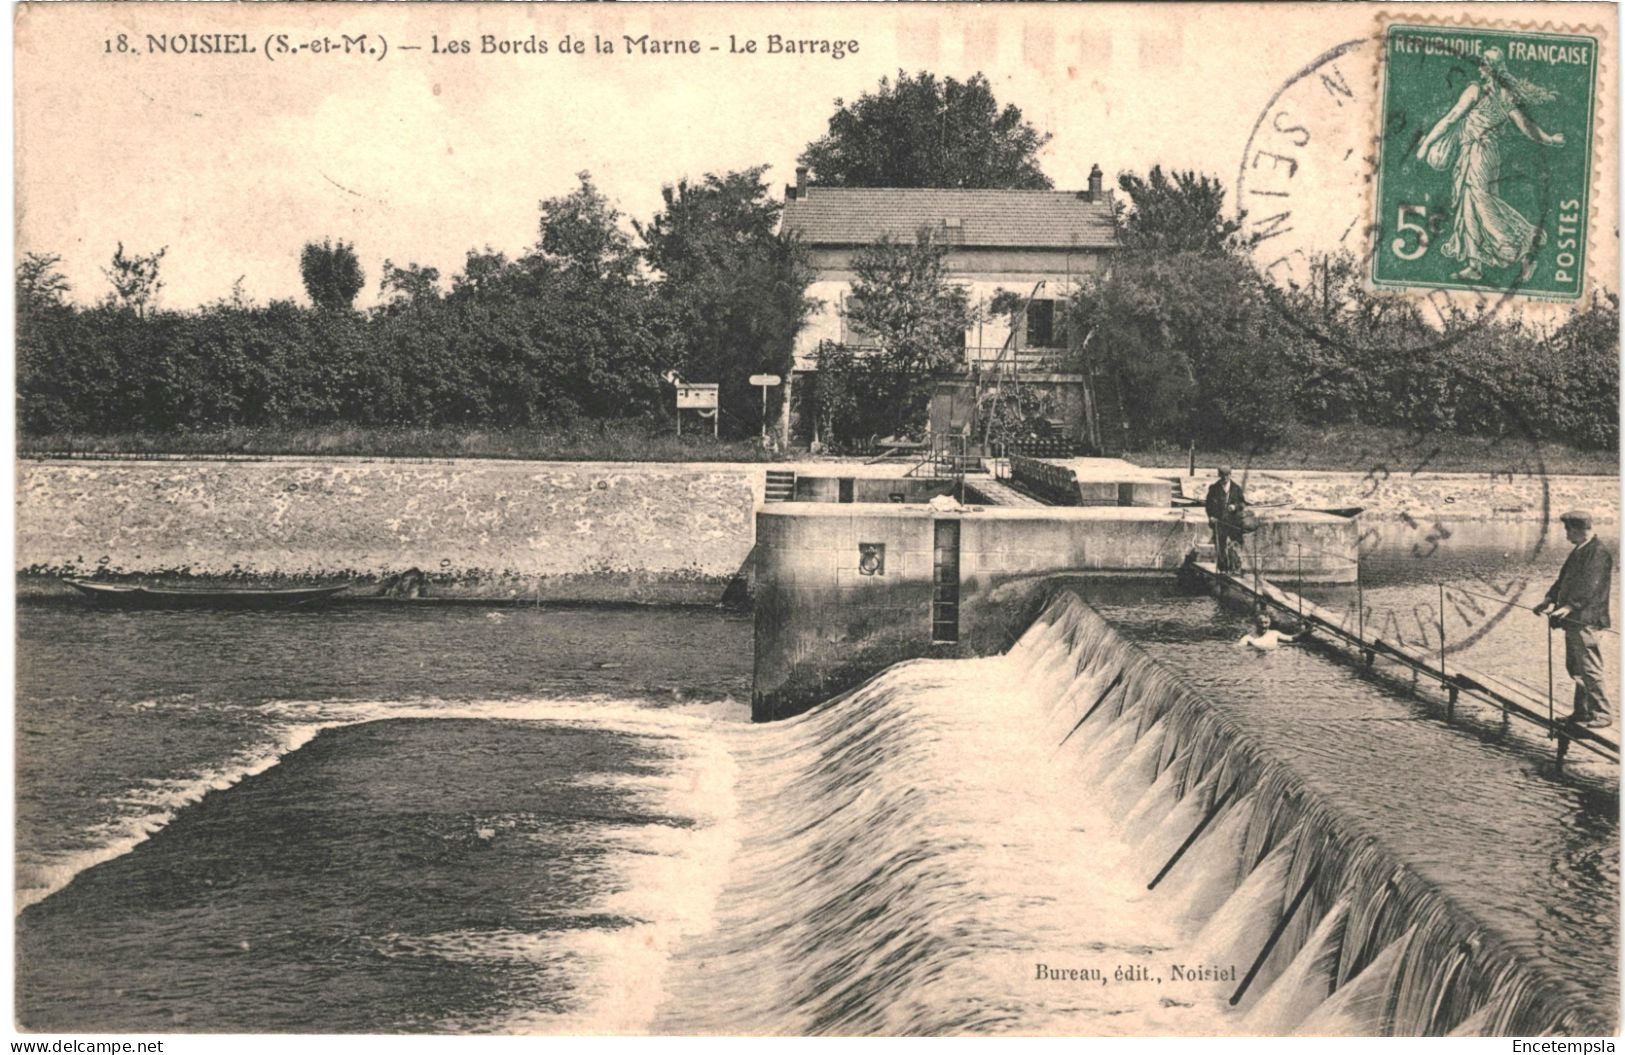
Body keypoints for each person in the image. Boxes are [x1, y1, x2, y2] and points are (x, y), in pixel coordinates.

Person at [1414, 47, 1565, 282]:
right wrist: (1550, 139)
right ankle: (1475, 265)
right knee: (1469, 204)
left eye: (1483, 63)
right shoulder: (1505, 96)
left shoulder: (1476, 91)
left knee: (1481, 202)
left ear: (1489, 68)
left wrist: (1426, 146)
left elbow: (1452, 117)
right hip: (1481, 153)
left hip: (1478, 153)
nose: (1480, 66)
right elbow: (1527, 126)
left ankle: (1525, 246)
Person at [1534, 510, 1613, 729]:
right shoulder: (1579, 550)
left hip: (1586, 620)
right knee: (1576, 667)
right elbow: (1563, 580)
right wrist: (1548, 599)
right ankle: (1582, 712)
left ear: (1579, 530)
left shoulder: (1598, 553)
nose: (1566, 534)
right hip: (1573, 620)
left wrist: (1569, 606)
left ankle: (1603, 713)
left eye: (1568, 530)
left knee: (1589, 667)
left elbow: (1590, 586)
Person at [1205, 466, 1247, 574]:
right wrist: (1211, 516)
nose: (1225, 478)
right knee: (1220, 545)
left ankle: (1235, 568)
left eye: (1227, 475)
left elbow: (1242, 504)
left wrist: (1235, 507)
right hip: (1219, 522)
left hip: (1233, 522)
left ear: (1230, 475)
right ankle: (1222, 569)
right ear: (1219, 475)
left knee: (1234, 545)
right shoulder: (1213, 488)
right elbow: (1208, 505)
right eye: (1222, 475)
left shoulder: (1236, 488)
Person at [1236, 610, 1309, 651]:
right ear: (1256, 623)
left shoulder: (1274, 634)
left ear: (1270, 623)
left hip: (1272, 663)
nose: (1263, 625)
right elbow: (1238, 649)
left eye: (1266, 622)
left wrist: (1306, 632)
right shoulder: (1248, 638)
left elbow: (1292, 638)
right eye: (1261, 623)